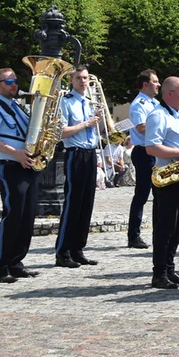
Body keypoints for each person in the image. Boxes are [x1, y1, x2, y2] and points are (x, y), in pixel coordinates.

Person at [0, 67, 39, 283]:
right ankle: (0, 268)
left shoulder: (17, 107)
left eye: (15, 80)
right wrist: (15, 152)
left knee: (27, 217)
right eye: (9, 81)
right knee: (13, 216)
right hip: (9, 165)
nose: (15, 84)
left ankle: (16, 262)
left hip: (27, 165)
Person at [144, 77, 179, 289]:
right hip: (168, 178)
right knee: (165, 226)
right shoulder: (158, 115)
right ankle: (159, 273)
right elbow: (152, 147)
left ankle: (169, 268)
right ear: (170, 94)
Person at [54, 65, 103, 269]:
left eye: (85, 78)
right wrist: (86, 124)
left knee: (87, 203)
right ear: (71, 81)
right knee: (73, 202)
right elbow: (61, 132)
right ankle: (63, 251)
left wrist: (98, 120)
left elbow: (96, 129)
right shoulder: (66, 102)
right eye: (79, 78)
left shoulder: (90, 103)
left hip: (90, 153)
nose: (83, 82)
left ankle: (78, 248)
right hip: (75, 154)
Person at [126, 70, 161, 249]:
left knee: (159, 194)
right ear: (145, 84)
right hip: (143, 152)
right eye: (155, 82)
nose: (158, 85)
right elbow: (141, 128)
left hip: (156, 151)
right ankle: (134, 235)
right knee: (142, 194)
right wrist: (162, 126)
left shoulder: (155, 103)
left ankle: (159, 231)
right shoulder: (139, 104)